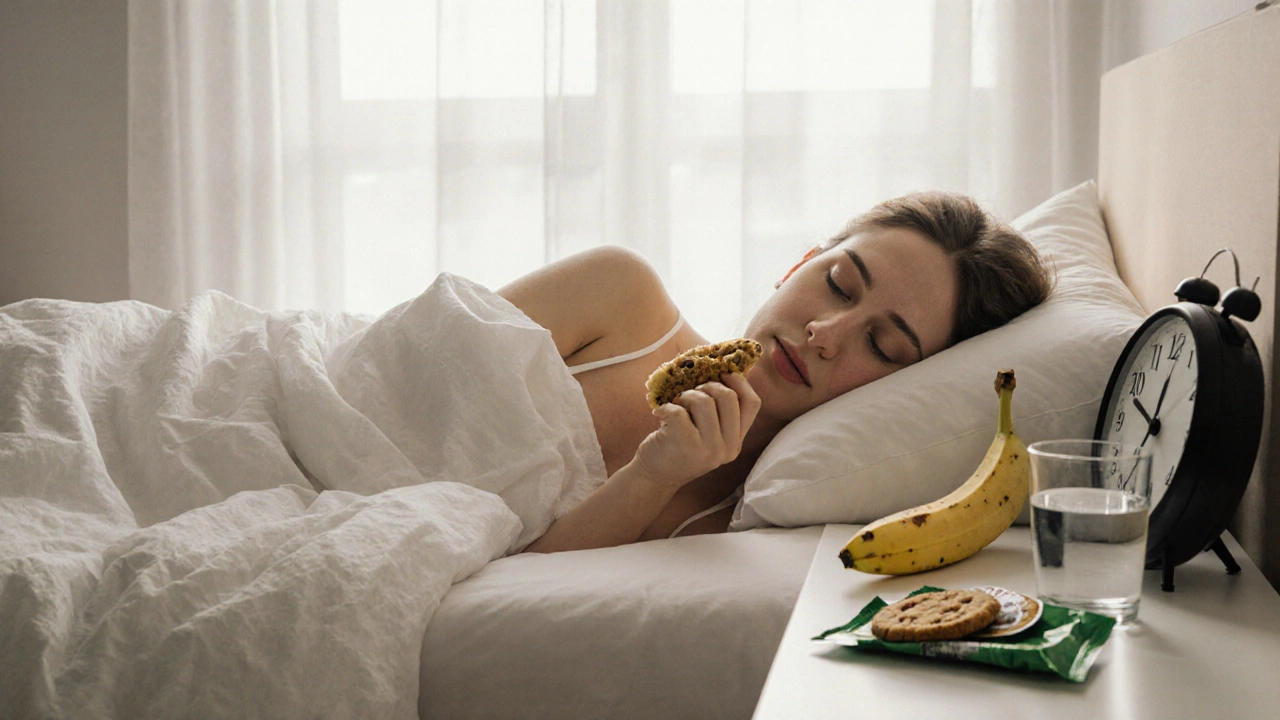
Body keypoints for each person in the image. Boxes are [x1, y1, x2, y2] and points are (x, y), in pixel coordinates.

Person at [504, 191, 1053, 553]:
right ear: (796, 265)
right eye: (837, 284)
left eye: (882, 345)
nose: (825, 333)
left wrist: (652, 478)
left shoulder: (737, 530)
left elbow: (506, 600)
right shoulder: (617, 292)